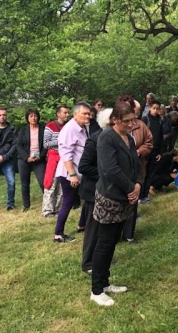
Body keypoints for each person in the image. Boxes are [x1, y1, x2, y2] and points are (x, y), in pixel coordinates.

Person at [90, 102, 142, 307]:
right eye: (127, 121)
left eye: (133, 120)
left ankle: (105, 282)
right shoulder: (106, 138)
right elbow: (110, 170)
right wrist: (131, 188)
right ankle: (96, 291)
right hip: (110, 198)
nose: (131, 124)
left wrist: (138, 185)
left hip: (125, 198)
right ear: (115, 120)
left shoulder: (129, 138)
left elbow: (136, 164)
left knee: (113, 242)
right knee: (104, 243)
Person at [78, 108, 112, 275]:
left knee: (104, 226)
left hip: (107, 190)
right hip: (93, 190)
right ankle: (88, 263)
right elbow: (83, 166)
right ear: (108, 123)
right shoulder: (94, 140)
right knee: (93, 228)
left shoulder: (115, 139)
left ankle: (100, 257)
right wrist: (105, 174)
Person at [53, 102, 92, 243]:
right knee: (68, 202)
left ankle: (82, 225)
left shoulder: (82, 127)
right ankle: (58, 234)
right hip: (69, 173)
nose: (88, 116)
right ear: (75, 114)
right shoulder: (69, 129)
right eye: (84, 114)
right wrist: (73, 175)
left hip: (80, 172)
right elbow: (65, 154)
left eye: (89, 114)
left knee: (88, 197)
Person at [116, 95, 152, 242]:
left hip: (136, 167)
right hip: (118, 169)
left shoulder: (140, 125)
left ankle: (129, 234)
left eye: (129, 106)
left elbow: (149, 142)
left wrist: (139, 151)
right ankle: (115, 232)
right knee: (118, 199)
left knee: (133, 198)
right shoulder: (112, 125)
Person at [17, 108, 47, 212]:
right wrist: (26, 157)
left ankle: (48, 202)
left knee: (43, 182)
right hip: (24, 160)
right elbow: (19, 145)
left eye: (35, 116)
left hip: (39, 159)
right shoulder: (23, 130)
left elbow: (46, 145)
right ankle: (26, 206)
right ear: (27, 118)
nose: (33, 118)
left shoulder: (43, 129)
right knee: (25, 183)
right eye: (31, 116)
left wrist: (41, 156)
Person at [42, 106, 70, 217]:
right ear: (58, 114)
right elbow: (46, 144)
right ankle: (47, 210)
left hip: (65, 157)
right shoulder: (50, 126)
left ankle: (59, 208)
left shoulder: (68, 126)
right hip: (53, 157)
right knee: (51, 183)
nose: (67, 115)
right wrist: (61, 140)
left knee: (62, 184)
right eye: (65, 112)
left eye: (68, 113)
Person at [141, 100, 163, 204]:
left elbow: (161, 138)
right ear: (150, 108)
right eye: (153, 108)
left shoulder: (160, 121)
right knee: (143, 173)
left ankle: (145, 195)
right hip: (146, 151)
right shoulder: (145, 119)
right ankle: (140, 195)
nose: (155, 111)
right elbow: (141, 135)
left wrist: (160, 152)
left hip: (155, 152)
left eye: (157, 109)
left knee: (151, 174)